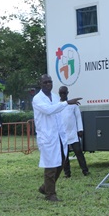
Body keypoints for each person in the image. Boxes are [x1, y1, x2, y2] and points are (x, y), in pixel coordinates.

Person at [32, 74, 81, 202]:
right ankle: (50, 194)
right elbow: (49, 110)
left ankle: (45, 187)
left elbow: (58, 115)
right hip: (47, 137)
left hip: (59, 135)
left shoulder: (54, 97)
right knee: (50, 165)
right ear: (40, 84)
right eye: (45, 82)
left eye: (50, 82)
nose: (48, 84)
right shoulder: (37, 99)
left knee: (61, 162)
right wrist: (67, 103)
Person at [59, 86, 89, 177]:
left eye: (64, 93)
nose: (63, 95)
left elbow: (78, 118)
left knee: (79, 152)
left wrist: (80, 130)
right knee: (65, 155)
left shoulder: (74, 105)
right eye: (61, 93)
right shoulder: (58, 105)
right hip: (62, 134)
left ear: (67, 93)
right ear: (59, 94)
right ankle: (67, 173)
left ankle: (85, 170)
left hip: (73, 133)